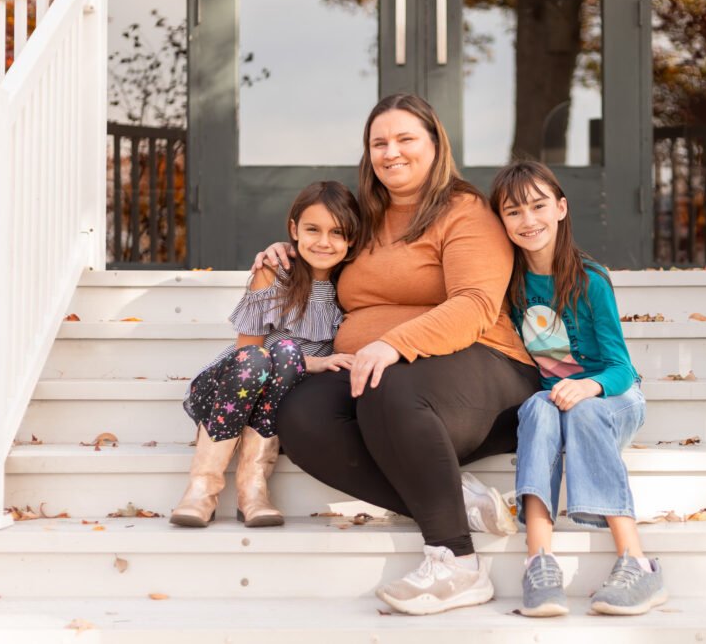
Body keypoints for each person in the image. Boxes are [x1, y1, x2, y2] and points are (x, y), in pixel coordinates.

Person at [254, 94, 539, 615]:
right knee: (301, 414)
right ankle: (461, 496)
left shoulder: (466, 212)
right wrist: (284, 254)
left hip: (487, 371)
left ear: (435, 145)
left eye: (406, 139)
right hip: (387, 379)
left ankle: (456, 562)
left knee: (386, 384)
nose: (392, 152)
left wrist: (393, 343)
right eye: (379, 142)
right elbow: (323, 252)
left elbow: (475, 305)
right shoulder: (364, 219)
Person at [488, 160, 667, 617]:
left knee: (581, 411)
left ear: (561, 208)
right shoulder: (508, 287)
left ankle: (637, 561)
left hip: (611, 400)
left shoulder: (590, 278)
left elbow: (621, 369)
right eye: (513, 212)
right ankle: (539, 562)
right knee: (537, 407)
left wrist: (588, 387)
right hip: (558, 404)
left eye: (538, 206)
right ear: (501, 222)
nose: (528, 220)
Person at [170, 181, 360, 529]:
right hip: (226, 393)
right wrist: (312, 362)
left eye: (338, 232)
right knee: (278, 353)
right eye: (312, 229)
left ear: (352, 240)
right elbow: (247, 352)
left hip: (276, 408)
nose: (323, 241)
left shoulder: (352, 283)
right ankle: (201, 489)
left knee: (288, 355)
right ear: (294, 230)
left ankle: (252, 489)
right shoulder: (274, 272)